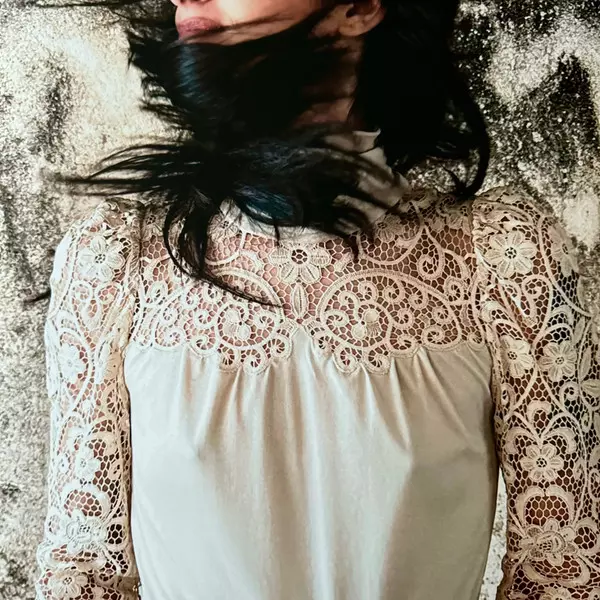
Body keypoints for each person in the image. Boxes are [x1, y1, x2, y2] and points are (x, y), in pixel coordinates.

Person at [32, 0, 600, 599]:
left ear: (361, 6)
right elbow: (85, 573)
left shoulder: (500, 257)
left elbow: (562, 572)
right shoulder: (116, 262)